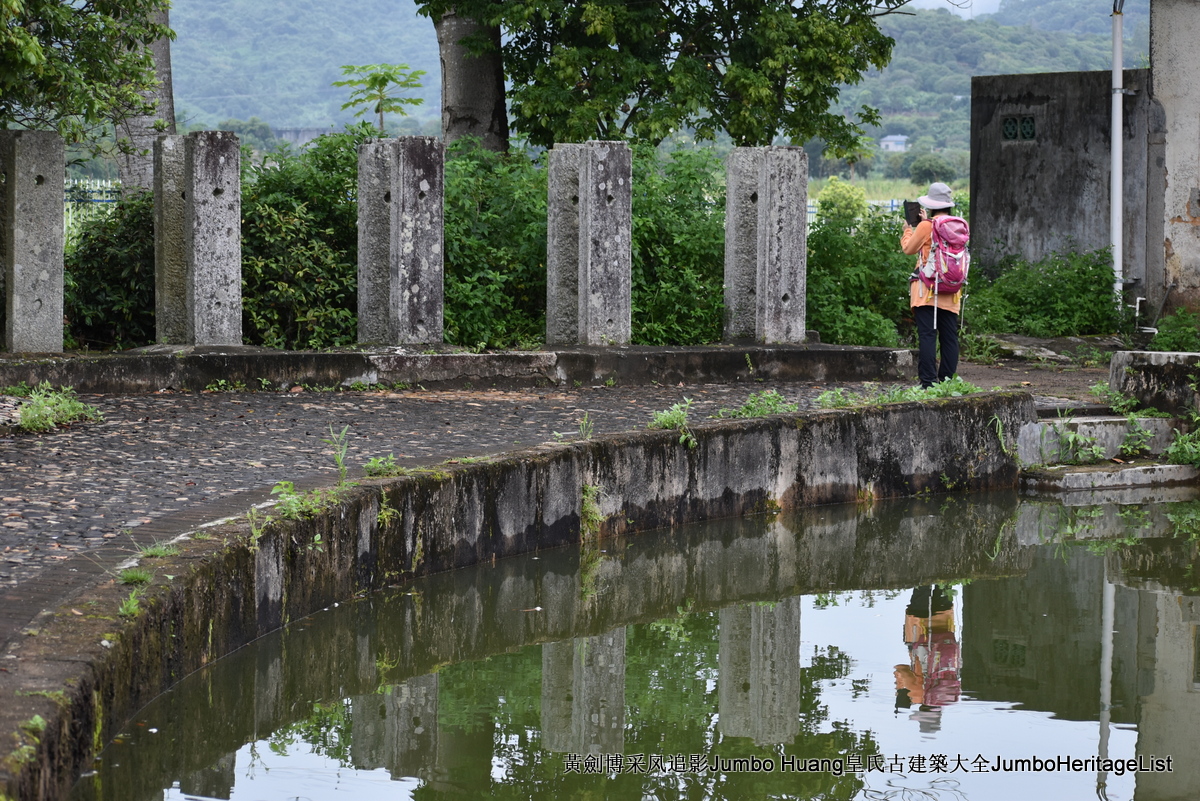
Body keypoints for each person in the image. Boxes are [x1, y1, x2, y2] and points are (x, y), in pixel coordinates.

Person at [901, 182, 961, 389]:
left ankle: (928, 383)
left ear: (932, 203)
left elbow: (909, 249)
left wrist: (908, 230)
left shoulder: (927, 226)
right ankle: (947, 382)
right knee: (949, 336)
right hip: (952, 288)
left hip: (927, 287)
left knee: (928, 334)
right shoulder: (958, 223)